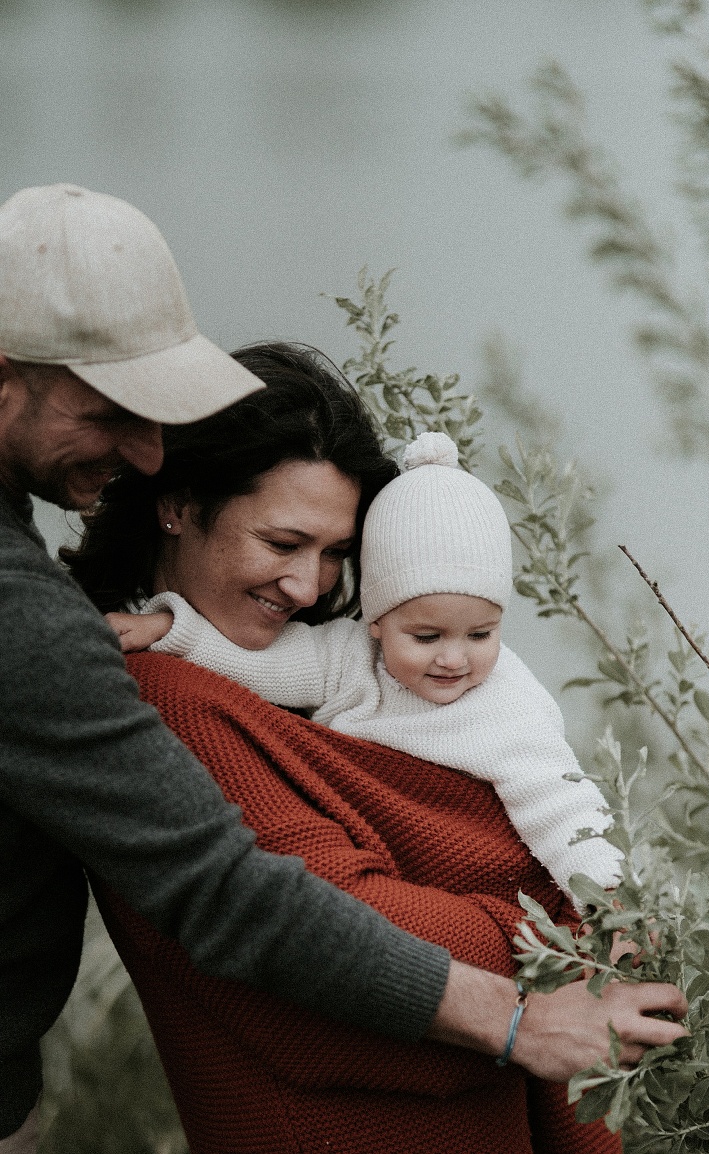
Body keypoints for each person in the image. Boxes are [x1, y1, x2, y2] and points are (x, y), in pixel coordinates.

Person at [0, 184, 583, 1152]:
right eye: (112, 411)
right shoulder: (83, 648)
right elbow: (232, 893)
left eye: (337, 556)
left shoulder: (139, 641)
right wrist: (525, 1006)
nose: (146, 452)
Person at [63, 340, 689, 1152]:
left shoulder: (321, 678)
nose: (309, 586)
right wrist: (556, 921)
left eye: (337, 555)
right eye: (283, 543)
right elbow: (331, 919)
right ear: (177, 504)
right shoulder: (161, 697)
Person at [113, 429, 622, 906]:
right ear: (377, 623)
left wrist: (609, 905)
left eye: (481, 634)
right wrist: (167, 630)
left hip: (473, 894)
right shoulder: (348, 657)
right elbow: (254, 664)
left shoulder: (508, 701)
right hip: (373, 881)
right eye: (426, 636)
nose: (454, 658)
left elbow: (563, 808)